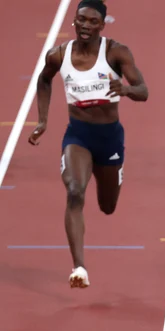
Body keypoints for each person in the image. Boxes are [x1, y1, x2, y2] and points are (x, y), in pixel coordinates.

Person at [28, 0, 148, 288]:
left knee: (107, 207)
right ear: (74, 21)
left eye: (92, 21)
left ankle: (114, 173)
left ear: (102, 25)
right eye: (81, 19)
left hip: (109, 139)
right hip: (78, 136)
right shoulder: (58, 55)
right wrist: (42, 120)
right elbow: (44, 81)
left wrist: (127, 90)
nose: (85, 25)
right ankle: (79, 267)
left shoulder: (116, 52)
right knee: (74, 192)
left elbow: (143, 91)